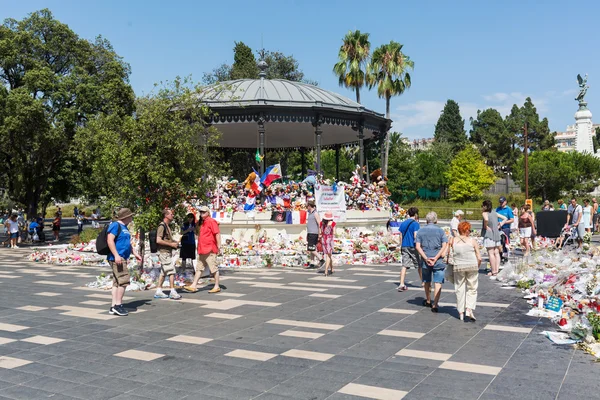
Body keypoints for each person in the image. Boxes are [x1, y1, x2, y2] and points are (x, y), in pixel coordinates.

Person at [106, 208, 142, 316]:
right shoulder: (115, 225)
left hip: (122, 257)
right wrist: (116, 255)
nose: (132, 218)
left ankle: (113, 306)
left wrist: (134, 253)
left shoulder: (124, 227)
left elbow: (127, 243)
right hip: (117, 257)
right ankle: (118, 305)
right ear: (126, 217)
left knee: (117, 282)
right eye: (131, 216)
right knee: (124, 280)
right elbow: (110, 240)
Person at [415, 211, 448, 313]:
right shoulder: (440, 231)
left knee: (427, 281)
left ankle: (428, 299)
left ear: (426, 220)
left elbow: (417, 247)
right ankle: (435, 304)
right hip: (438, 260)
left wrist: (426, 258)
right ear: (436, 220)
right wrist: (436, 257)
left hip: (426, 259)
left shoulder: (420, 231)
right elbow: (444, 245)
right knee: (438, 281)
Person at [185, 206, 221, 293]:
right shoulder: (202, 223)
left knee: (213, 268)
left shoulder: (212, 221)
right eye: (200, 212)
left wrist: (219, 246)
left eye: (203, 212)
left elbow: (217, 234)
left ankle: (216, 286)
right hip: (202, 249)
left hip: (210, 249)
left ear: (208, 213)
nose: (201, 213)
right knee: (199, 268)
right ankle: (194, 285)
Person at [452, 221, 481, 321]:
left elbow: (447, 254)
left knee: (459, 288)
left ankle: (460, 312)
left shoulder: (452, 240)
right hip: (472, 266)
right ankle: (469, 309)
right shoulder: (472, 241)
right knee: (472, 288)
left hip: (458, 266)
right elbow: (479, 257)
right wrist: (478, 265)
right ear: (467, 230)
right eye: (470, 229)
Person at [154, 209, 182, 300]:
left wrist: (174, 243)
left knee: (163, 272)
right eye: (171, 214)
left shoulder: (167, 226)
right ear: (166, 215)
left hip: (167, 252)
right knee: (171, 270)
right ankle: (172, 291)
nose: (172, 215)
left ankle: (158, 290)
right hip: (163, 252)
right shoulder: (162, 226)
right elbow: (158, 240)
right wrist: (171, 244)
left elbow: (166, 239)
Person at [397, 207, 421, 292]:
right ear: (415, 214)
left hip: (404, 245)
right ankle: (423, 282)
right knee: (418, 265)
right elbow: (415, 235)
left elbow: (400, 235)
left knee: (404, 265)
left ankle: (401, 283)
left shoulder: (403, 223)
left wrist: (401, 244)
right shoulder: (416, 224)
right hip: (412, 246)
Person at [482, 200, 503, 277]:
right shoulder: (494, 212)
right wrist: (499, 225)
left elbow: (486, 219)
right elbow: (505, 218)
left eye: (482, 206)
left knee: (491, 253)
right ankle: (496, 270)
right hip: (497, 234)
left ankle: (493, 271)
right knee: (496, 253)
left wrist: (486, 226)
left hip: (489, 235)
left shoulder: (485, 213)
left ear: (485, 206)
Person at [303, 200, 324, 269]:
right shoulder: (310, 213)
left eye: (307, 206)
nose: (306, 207)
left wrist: (320, 233)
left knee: (311, 248)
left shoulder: (315, 213)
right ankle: (312, 263)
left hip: (314, 233)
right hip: (310, 232)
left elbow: (319, 223)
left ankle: (321, 259)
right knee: (312, 248)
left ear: (309, 206)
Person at [320, 212, 336, 276]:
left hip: (323, 239)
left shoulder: (321, 223)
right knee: (328, 256)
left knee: (328, 255)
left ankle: (332, 268)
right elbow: (334, 232)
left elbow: (320, 232)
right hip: (329, 239)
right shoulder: (333, 223)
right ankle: (326, 270)